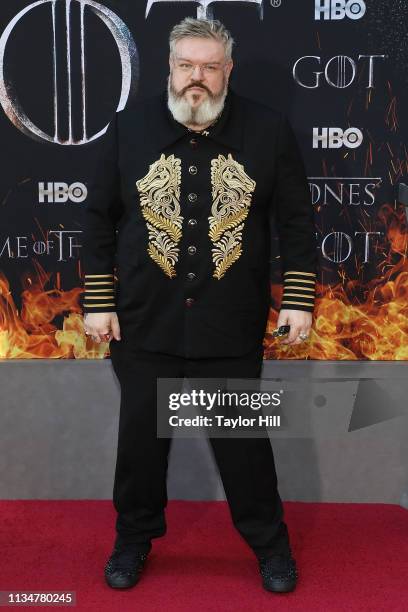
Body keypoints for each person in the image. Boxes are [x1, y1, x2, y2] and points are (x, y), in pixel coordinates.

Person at [82, 17, 317, 593]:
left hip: (230, 321)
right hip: (144, 317)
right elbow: (96, 220)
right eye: (187, 65)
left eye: (210, 67)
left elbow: (296, 221)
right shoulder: (128, 128)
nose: (198, 78)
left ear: (228, 70)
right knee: (140, 443)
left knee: (243, 447)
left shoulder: (268, 130)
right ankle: (133, 541)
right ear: (169, 67)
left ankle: (270, 546)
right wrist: (99, 300)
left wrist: (300, 298)